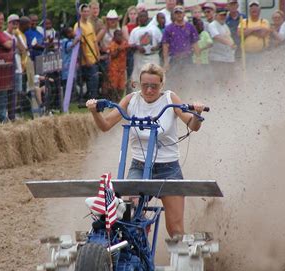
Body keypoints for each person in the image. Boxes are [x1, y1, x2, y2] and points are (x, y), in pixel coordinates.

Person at [85, 63, 205, 238]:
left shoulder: (170, 99)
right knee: (131, 218)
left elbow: (192, 126)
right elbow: (105, 125)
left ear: (162, 85)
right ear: (138, 84)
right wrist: (95, 112)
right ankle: (136, 253)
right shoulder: (131, 100)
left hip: (169, 169)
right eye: (145, 86)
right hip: (139, 167)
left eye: (154, 86)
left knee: (176, 230)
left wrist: (197, 115)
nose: (149, 90)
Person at [162, 5, 200, 76]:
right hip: (174, 59)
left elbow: (195, 43)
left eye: (180, 13)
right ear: (174, 15)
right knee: (175, 80)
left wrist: (198, 57)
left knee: (189, 79)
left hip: (187, 59)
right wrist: (166, 62)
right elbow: (165, 46)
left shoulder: (190, 27)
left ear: (184, 14)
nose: (179, 15)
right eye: (177, 13)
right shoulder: (168, 28)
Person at [129, 10, 162, 87]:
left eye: (144, 16)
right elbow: (130, 45)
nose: (142, 18)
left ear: (147, 17)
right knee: (138, 77)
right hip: (139, 56)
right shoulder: (135, 31)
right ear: (138, 18)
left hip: (153, 56)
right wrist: (137, 47)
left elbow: (161, 42)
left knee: (155, 75)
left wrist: (156, 47)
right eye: (141, 16)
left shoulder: (154, 29)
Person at [74, 4, 100, 100]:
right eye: (84, 11)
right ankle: (91, 100)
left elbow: (94, 40)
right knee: (92, 79)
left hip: (93, 57)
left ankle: (93, 99)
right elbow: (80, 45)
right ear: (80, 12)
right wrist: (86, 59)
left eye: (87, 11)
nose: (86, 13)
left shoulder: (89, 25)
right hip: (85, 59)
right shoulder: (78, 26)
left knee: (95, 79)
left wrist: (98, 53)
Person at [0, 12, 13, 123]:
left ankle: (5, 114)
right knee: (1, 92)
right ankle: (1, 116)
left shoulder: (2, 33)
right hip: (0, 67)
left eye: (2, 19)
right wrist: (11, 41)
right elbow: (8, 45)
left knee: (6, 92)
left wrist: (10, 41)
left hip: (7, 67)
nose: (0, 21)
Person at [208, 8, 237, 87]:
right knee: (220, 79)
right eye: (221, 15)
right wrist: (230, 44)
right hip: (218, 58)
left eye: (224, 15)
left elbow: (228, 37)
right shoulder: (212, 25)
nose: (223, 17)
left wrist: (233, 45)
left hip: (229, 58)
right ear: (216, 15)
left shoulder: (225, 26)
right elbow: (216, 37)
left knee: (230, 79)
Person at [238, 0, 271, 66]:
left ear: (259, 10)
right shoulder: (244, 21)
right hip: (246, 54)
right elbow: (240, 34)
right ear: (249, 10)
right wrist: (255, 29)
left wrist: (248, 31)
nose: (254, 9)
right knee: (247, 74)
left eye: (256, 7)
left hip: (261, 54)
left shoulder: (264, 21)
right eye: (252, 7)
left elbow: (262, 34)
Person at [107, 29, 128, 102]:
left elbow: (129, 47)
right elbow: (112, 55)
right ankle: (113, 101)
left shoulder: (124, 43)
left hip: (122, 69)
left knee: (122, 87)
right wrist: (118, 49)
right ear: (114, 36)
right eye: (118, 35)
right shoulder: (112, 44)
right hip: (114, 69)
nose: (120, 37)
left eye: (121, 35)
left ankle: (119, 101)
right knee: (113, 86)